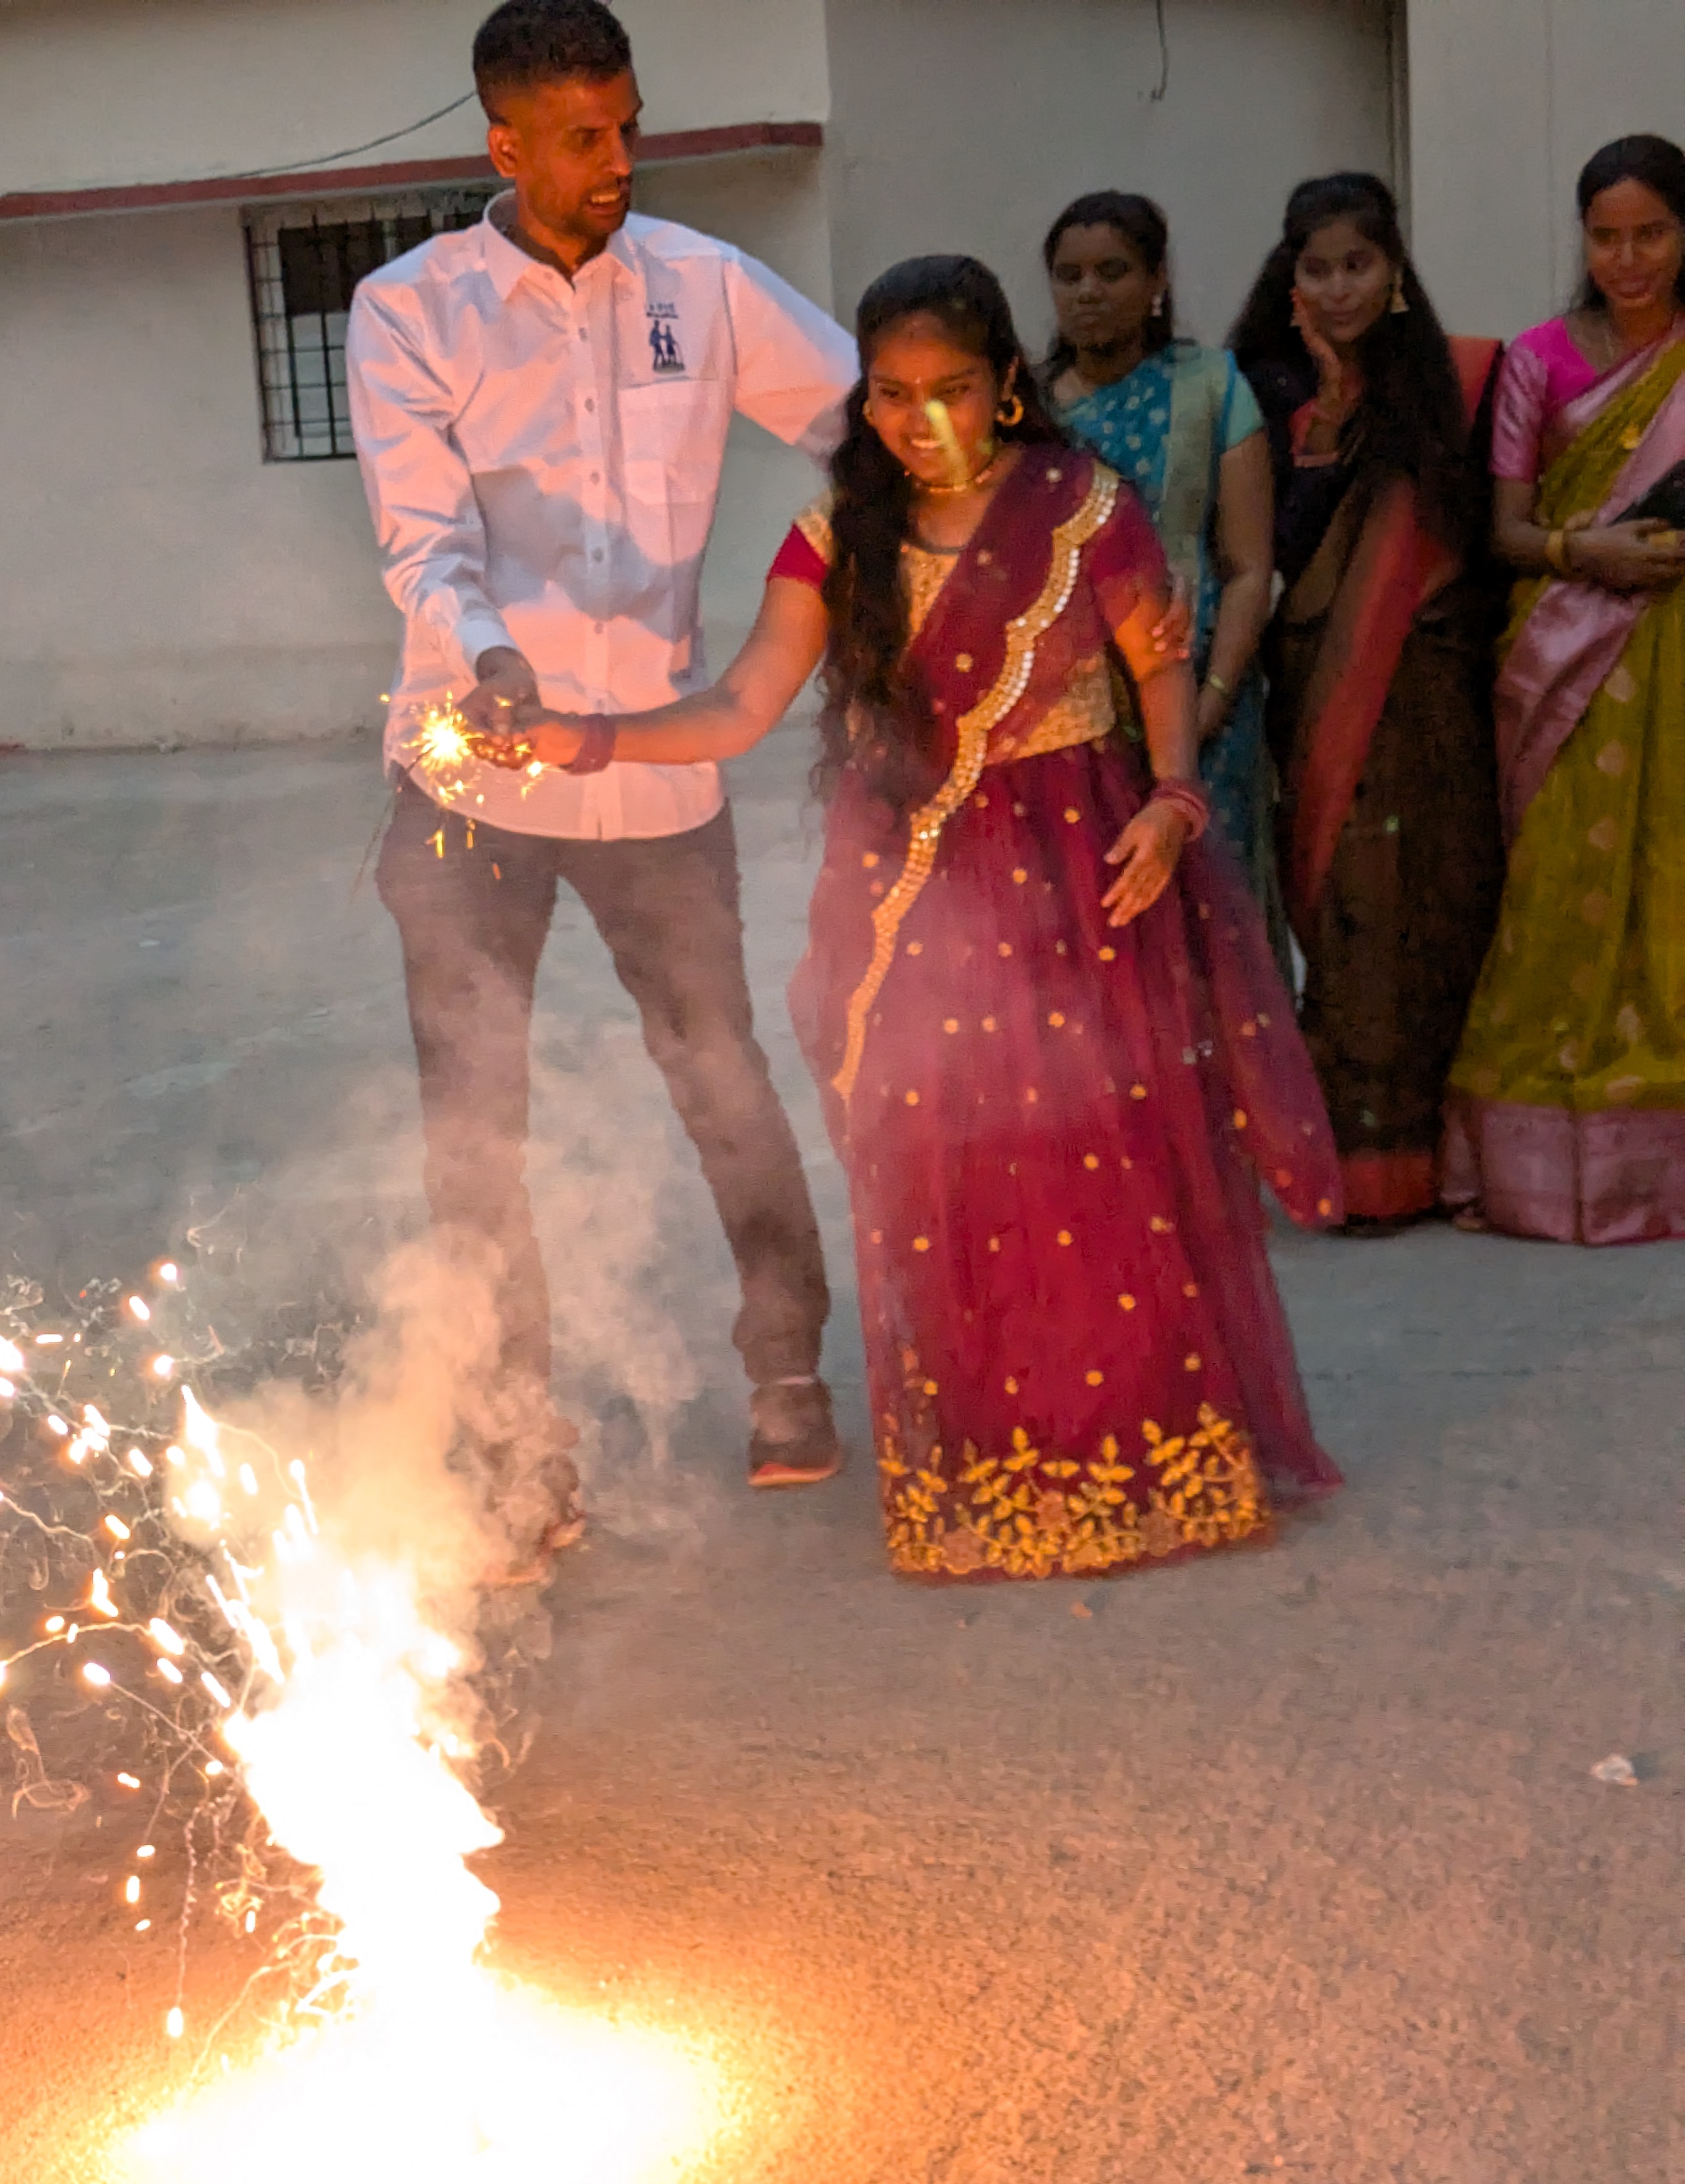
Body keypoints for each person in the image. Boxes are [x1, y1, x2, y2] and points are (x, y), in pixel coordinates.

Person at [494, 255, 1342, 1584]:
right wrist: (583, 737)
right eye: (889, 395)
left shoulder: (1079, 510)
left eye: (950, 390)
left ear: (1006, 384)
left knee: (1096, 1162)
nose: (920, 422)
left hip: (1078, 869)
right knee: (947, 1167)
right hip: (914, 896)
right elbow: (736, 707)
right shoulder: (836, 539)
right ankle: (993, 1472)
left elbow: (1158, 664)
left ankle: (1142, 1461)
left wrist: (1173, 800)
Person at [345, 0, 855, 1567]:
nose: (619, 159)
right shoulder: (411, 308)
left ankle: (786, 1370)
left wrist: (841, 571)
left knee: (719, 1071)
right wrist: (492, 658)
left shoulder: (702, 288)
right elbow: (424, 538)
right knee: (474, 1123)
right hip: (471, 769)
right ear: (504, 142)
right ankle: (517, 1446)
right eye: (585, 136)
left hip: (650, 766)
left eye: (630, 124)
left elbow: (874, 426)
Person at [1233, 174, 1504, 1232]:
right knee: (1344, 915)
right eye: (1318, 267)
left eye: (1359, 264)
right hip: (1315, 687)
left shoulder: (1457, 383)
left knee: (1439, 905)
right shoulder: (1259, 385)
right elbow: (1266, 551)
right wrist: (1324, 426)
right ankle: (1351, 1157)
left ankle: (1435, 1158)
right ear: (1289, 276)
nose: (1340, 287)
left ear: (1393, 272)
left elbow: (1478, 538)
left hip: (1434, 695)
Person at [1446, 135, 1685, 1242]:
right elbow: (1502, 531)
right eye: (1605, 237)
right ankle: (1538, 1164)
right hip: (1567, 655)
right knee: (1556, 892)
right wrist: (1596, 557)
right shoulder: (1539, 359)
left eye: (1651, 234)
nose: (1627, 260)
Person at [1043, 192, 1278, 907]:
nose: (1088, 292)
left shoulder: (1211, 386)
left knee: (1221, 922)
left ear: (1156, 284)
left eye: (1112, 271)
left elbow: (1246, 570)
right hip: (1078, 722)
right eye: (1069, 275)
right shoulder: (1034, 415)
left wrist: (1207, 706)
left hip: (1208, 700)